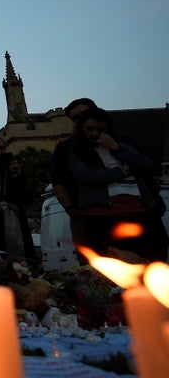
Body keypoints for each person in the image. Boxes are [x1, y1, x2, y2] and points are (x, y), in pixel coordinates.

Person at [67, 107, 168, 261]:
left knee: (153, 261)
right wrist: (124, 170)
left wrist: (118, 148)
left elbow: (148, 165)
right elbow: (87, 176)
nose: (95, 133)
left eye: (100, 129)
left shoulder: (123, 144)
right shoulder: (77, 151)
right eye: (90, 129)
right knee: (114, 264)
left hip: (140, 211)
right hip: (103, 215)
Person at [51, 98, 98, 250]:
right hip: (85, 217)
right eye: (75, 118)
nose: (80, 121)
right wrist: (71, 210)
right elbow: (57, 182)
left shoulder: (120, 141)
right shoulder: (65, 148)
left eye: (85, 114)